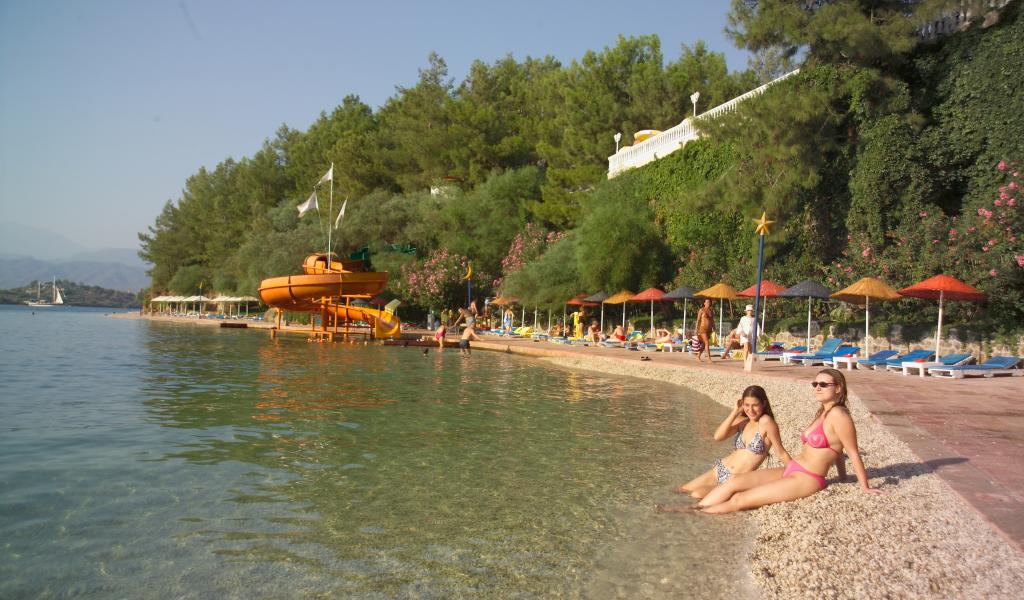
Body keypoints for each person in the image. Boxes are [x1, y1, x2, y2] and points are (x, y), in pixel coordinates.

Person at [684, 369, 885, 514]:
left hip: (808, 478)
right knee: (734, 481)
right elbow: (837, 449)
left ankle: (694, 515)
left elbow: (852, 452)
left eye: (823, 385)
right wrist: (842, 477)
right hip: (793, 468)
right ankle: (693, 509)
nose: (817, 388)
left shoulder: (840, 415)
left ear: (839, 388)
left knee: (740, 499)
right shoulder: (823, 412)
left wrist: (865, 487)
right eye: (815, 384)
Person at [666, 386, 791, 502]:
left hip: (734, 480)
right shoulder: (743, 421)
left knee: (696, 494)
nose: (750, 410)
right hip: (719, 469)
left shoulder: (766, 422)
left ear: (763, 403)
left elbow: (781, 452)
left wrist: (797, 474)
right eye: (746, 405)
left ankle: (676, 512)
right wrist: (735, 412)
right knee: (682, 490)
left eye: (755, 405)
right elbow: (718, 437)